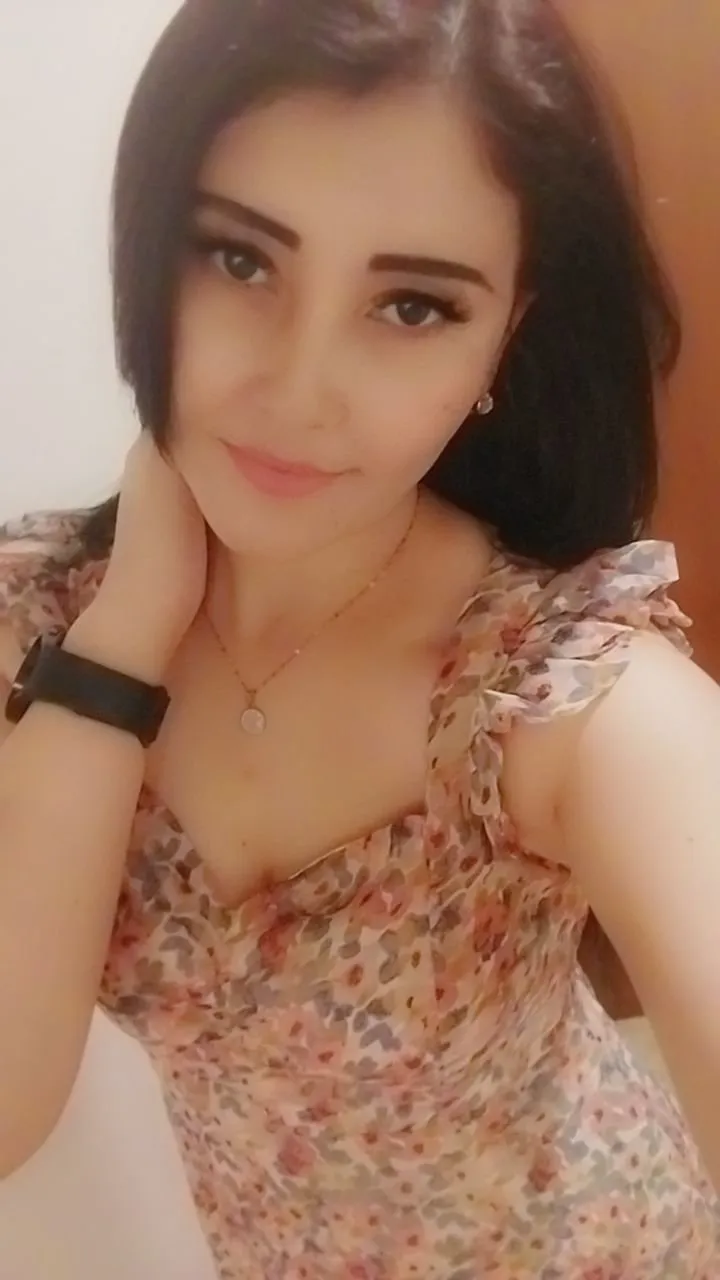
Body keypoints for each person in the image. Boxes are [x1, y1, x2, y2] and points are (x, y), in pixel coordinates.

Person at [0, 0, 718, 1275]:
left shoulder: (550, 683)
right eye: (239, 259)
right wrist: (122, 641)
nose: (298, 388)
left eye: (414, 306)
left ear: (506, 332)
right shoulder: (47, 621)